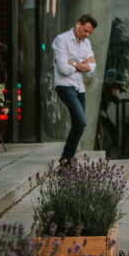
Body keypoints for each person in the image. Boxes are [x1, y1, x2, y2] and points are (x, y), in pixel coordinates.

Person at [52, 14, 98, 164]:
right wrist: (82, 64)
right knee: (81, 121)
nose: (87, 34)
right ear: (78, 24)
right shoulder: (62, 40)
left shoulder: (86, 43)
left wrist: (74, 63)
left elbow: (92, 68)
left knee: (79, 123)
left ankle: (67, 158)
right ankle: (66, 156)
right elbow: (64, 69)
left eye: (90, 32)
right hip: (65, 85)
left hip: (79, 87)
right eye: (85, 30)